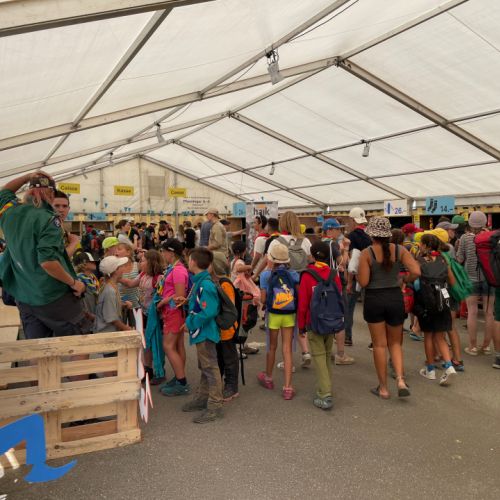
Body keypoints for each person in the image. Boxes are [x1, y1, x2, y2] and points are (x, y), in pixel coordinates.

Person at [0, 172, 87, 339]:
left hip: (24, 295)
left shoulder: (9, 212)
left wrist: (27, 176)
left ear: (29, 190)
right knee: (79, 340)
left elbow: (4, 191)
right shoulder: (49, 219)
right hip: (51, 295)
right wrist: (74, 283)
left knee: (37, 345)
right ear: (51, 194)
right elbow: (48, 262)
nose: (61, 209)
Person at [358, 217, 420, 399]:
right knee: (395, 343)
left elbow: (364, 282)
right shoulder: (400, 250)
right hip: (395, 298)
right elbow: (416, 271)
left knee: (379, 345)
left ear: (371, 235)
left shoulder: (366, 253)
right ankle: (400, 380)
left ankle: (383, 388)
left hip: (374, 299)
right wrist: (404, 279)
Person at [298, 241, 344, 410]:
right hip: (331, 321)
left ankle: (325, 394)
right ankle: (325, 387)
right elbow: (339, 297)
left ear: (312, 255)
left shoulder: (307, 275)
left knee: (318, 356)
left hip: (314, 322)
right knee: (326, 355)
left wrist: (301, 326)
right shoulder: (333, 274)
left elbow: (303, 304)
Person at [181, 248, 223, 424]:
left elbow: (208, 311)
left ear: (194, 262)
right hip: (202, 332)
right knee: (205, 366)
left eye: (189, 259)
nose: (188, 262)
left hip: (205, 332)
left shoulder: (205, 284)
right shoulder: (200, 281)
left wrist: (190, 323)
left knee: (210, 368)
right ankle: (203, 397)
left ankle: (215, 405)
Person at [267, 211, 312, 366]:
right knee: (300, 319)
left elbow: (270, 267)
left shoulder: (276, 242)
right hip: (301, 286)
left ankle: (288, 362)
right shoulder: (305, 241)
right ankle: (305, 351)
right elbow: (310, 262)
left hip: (283, 289)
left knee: (286, 326)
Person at [258, 242, 300, 400]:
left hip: (273, 315)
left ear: (272, 259)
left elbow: (263, 299)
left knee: (272, 346)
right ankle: (288, 387)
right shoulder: (294, 274)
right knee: (287, 349)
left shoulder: (265, 275)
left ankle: (268, 378)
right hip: (289, 314)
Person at [415, 234, 458, 386]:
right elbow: (452, 281)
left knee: (428, 336)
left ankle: (430, 370)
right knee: (440, 337)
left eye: (421, 243)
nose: (419, 246)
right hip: (443, 300)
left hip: (426, 303)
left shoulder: (419, 261)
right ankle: (449, 366)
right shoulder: (443, 260)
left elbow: (414, 280)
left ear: (426, 245)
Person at [119, 249, 164, 382]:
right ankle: (148, 368)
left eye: (143, 260)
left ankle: (159, 371)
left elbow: (162, 297)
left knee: (156, 343)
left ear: (151, 262)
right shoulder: (143, 274)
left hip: (155, 316)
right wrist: (116, 277)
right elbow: (130, 284)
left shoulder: (159, 278)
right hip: (144, 313)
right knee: (146, 342)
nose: (140, 263)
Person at [457, 211, 495, 356]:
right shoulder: (492, 237)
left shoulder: (465, 238)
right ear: (484, 222)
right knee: (489, 313)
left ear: (470, 223)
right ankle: (486, 346)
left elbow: (460, 259)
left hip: (470, 279)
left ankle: (472, 347)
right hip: (489, 279)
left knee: (472, 312)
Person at [157, 239, 190, 396]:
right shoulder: (174, 268)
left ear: (171, 252)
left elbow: (180, 296)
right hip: (173, 312)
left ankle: (181, 382)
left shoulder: (177, 270)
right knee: (177, 346)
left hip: (174, 312)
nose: (162, 254)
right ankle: (179, 377)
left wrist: (163, 301)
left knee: (168, 346)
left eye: (163, 251)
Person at [322, 218, 353, 364]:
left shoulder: (319, 243)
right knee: (340, 318)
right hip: (335, 285)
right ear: (329, 230)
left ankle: (324, 351)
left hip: (321, 284)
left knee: (324, 317)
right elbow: (343, 262)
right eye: (337, 229)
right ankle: (341, 354)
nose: (339, 232)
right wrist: (346, 248)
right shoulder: (332, 244)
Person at [212, 253, 240, 402]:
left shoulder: (225, 283)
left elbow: (229, 308)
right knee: (220, 357)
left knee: (229, 358)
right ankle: (220, 382)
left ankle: (232, 386)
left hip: (226, 328)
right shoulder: (216, 282)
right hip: (219, 327)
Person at [345, 207, 371, 346]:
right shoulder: (369, 237)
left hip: (355, 277)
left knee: (349, 308)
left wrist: (349, 282)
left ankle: (347, 337)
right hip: (369, 277)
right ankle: (375, 340)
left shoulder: (350, 237)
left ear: (353, 220)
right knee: (371, 310)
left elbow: (352, 261)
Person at [94, 256, 133, 333]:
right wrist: (129, 329)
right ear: (116, 270)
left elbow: (108, 307)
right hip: (106, 334)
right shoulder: (110, 291)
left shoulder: (110, 286)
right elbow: (112, 319)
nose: (123, 269)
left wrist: (122, 305)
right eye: (121, 266)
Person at [115, 243, 141, 325]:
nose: (116, 252)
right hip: (121, 305)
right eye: (116, 250)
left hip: (136, 304)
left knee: (136, 328)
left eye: (119, 249)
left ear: (128, 252)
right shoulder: (115, 267)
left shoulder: (137, 265)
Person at [73, 251, 99, 325]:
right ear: (83, 264)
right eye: (91, 261)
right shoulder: (78, 279)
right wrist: (88, 315)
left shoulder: (93, 277)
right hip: (86, 320)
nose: (95, 263)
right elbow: (77, 302)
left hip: (95, 316)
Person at [52, 190, 80, 258]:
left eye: (64, 206)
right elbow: (56, 259)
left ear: (68, 209)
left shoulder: (61, 229)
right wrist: (74, 242)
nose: (61, 210)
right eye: (57, 206)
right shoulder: (50, 227)